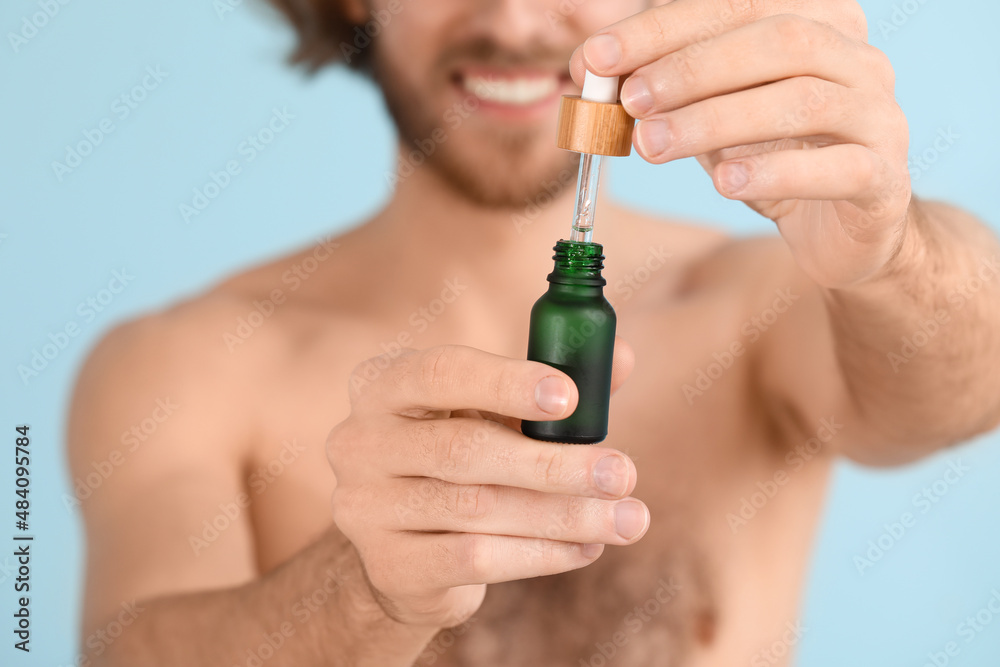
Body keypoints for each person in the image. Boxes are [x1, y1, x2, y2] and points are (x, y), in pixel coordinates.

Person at [68, 1, 1000, 665]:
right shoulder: (181, 366)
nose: (513, 21)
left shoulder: (762, 304)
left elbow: (970, 386)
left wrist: (888, 253)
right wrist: (368, 593)